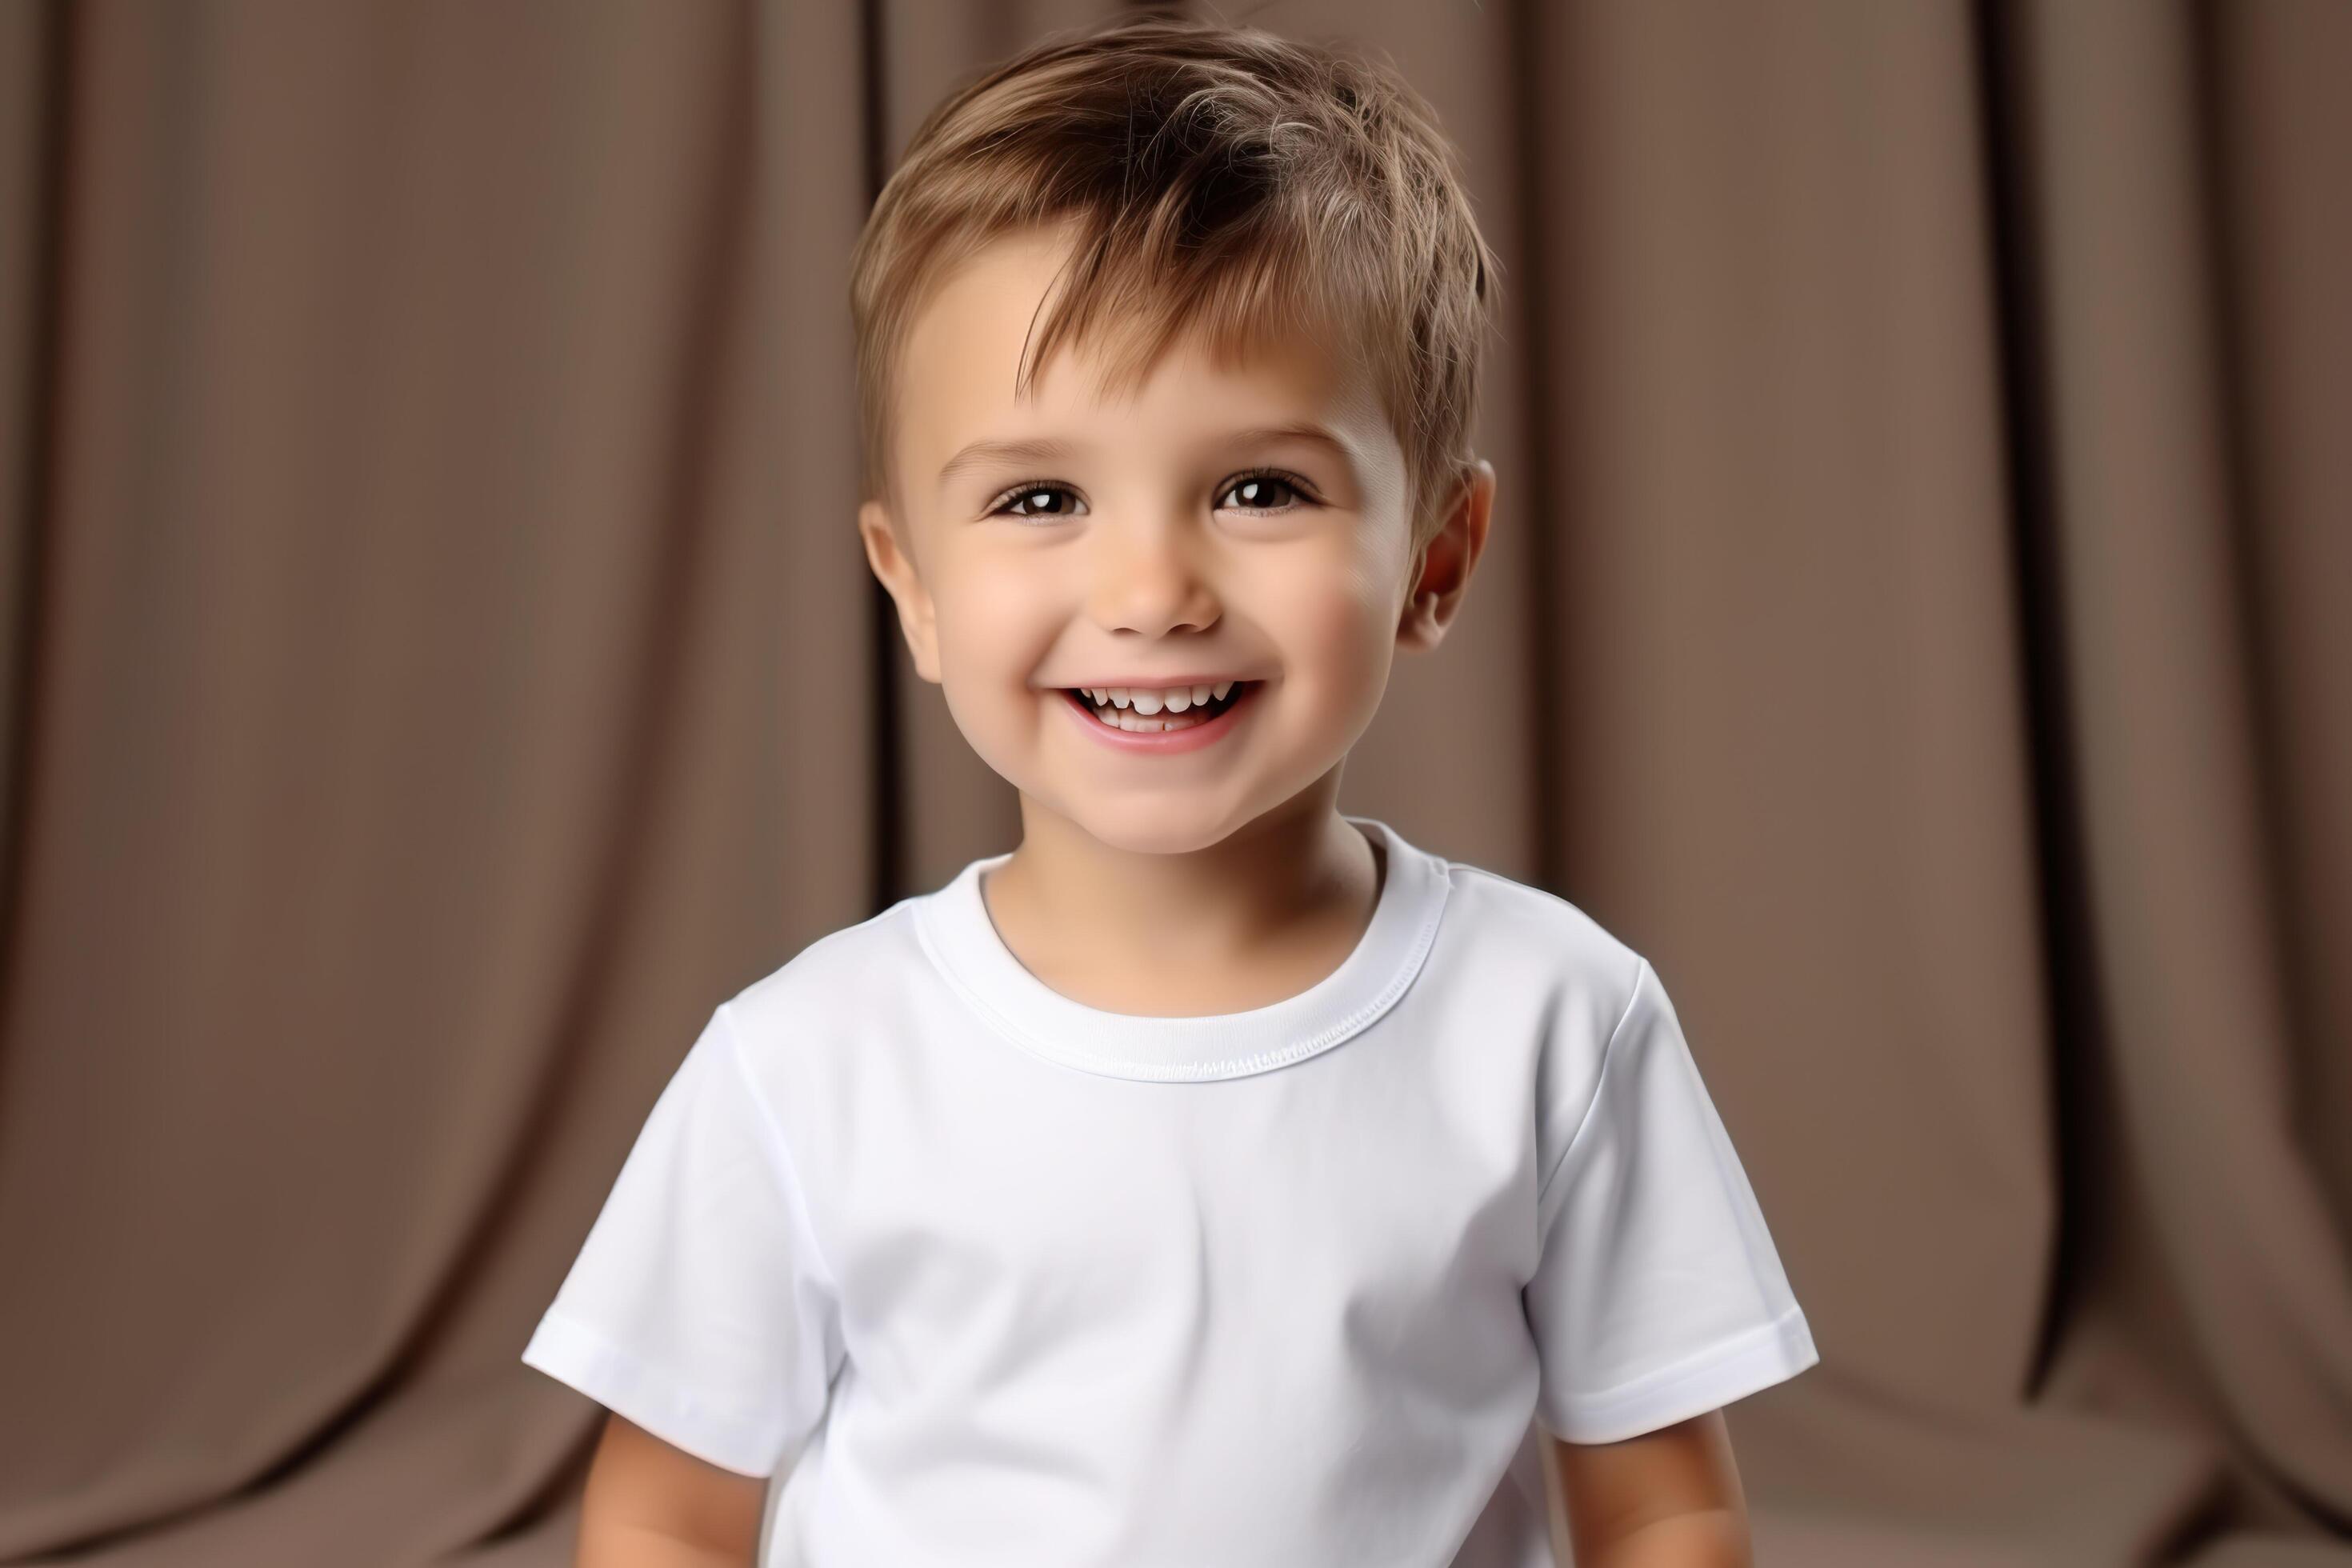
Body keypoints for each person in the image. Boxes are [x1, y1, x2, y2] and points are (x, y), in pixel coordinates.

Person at [521, 15, 1818, 1566]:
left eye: (1259, 487)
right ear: (913, 584)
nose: (1151, 588)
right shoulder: (807, 1064)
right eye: (1040, 495)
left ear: (1435, 559)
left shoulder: (1555, 1018)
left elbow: (1665, 1501)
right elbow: (664, 1513)